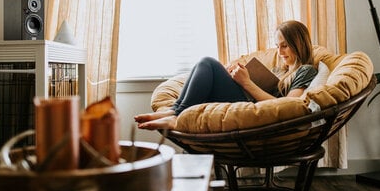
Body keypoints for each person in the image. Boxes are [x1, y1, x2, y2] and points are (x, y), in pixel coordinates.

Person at [134, 20, 318, 130]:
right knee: (204, 66)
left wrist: (246, 83)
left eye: (284, 45)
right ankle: (175, 110)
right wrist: (236, 75)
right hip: (246, 98)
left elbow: (289, 106)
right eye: (277, 46)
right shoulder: (283, 69)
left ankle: (177, 115)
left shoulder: (306, 70)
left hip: (253, 109)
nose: (279, 52)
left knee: (208, 63)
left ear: (299, 43)